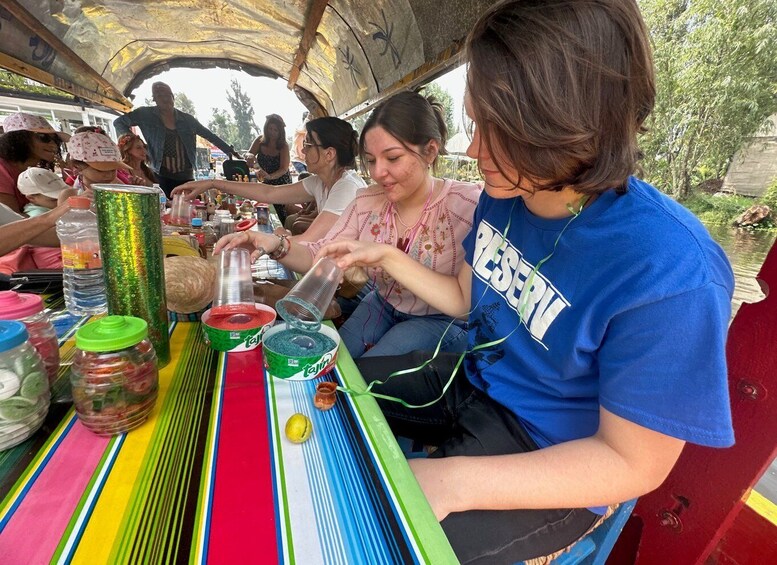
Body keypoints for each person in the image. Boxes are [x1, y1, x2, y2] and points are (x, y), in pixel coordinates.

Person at [315, 1, 736, 563]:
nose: (473, 150)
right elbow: (466, 299)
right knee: (327, 394)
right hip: (474, 377)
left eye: (502, 130)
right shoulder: (506, 189)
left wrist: (452, 481)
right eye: (475, 122)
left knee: (381, 544)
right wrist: (385, 256)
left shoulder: (669, 268)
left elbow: (634, 462)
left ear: (572, 124)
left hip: (550, 450)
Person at [215, 90, 481, 359]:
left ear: (431, 151)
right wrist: (275, 243)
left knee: (366, 373)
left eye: (392, 158)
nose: (377, 173)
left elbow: (474, 299)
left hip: (441, 320)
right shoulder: (367, 201)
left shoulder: (466, 206)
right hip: (383, 303)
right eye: (371, 159)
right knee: (334, 359)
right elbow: (320, 253)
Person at [174, 117, 365, 243]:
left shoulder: (346, 186)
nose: (303, 150)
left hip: (359, 289)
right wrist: (213, 183)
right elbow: (269, 192)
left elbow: (309, 240)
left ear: (329, 154)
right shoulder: (320, 182)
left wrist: (266, 239)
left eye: (308, 144)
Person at [113, 81, 239, 197]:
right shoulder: (145, 114)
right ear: (154, 99)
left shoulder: (188, 120)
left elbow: (210, 135)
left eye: (167, 95)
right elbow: (119, 122)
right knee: (163, 207)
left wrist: (230, 151)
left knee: (188, 209)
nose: (164, 99)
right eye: (159, 96)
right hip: (160, 174)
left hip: (186, 176)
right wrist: (135, 142)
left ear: (173, 97)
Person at [0, 112, 70, 213]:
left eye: (56, 139)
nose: (53, 144)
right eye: (43, 137)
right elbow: (13, 220)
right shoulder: (2, 170)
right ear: (18, 139)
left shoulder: (37, 170)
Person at [246, 114, 293, 223]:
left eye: (275, 130)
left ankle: (281, 232)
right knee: (263, 208)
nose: (272, 132)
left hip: (281, 182)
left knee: (279, 212)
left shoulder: (283, 146)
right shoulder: (259, 140)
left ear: (280, 132)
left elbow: (284, 168)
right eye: (270, 129)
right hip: (265, 181)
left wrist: (270, 176)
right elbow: (249, 153)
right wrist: (249, 156)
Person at [66, 131, 131, 197]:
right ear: (77, 167)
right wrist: (76, 201)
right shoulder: (70, 194)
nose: (109, 175)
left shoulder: (117, 188)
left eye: (113, 170)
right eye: (101, 170)